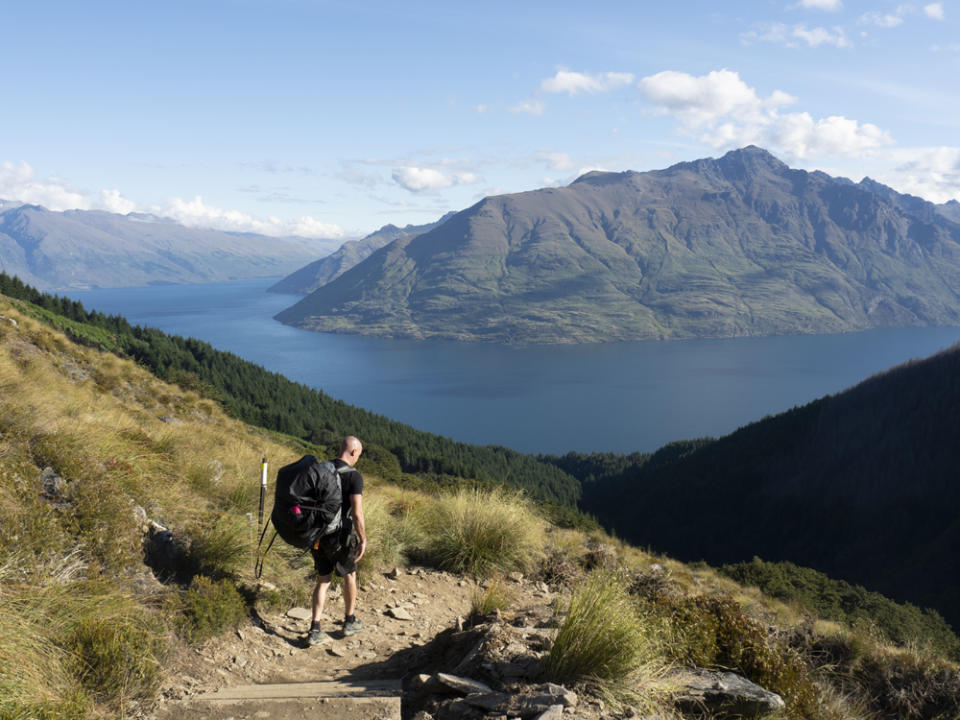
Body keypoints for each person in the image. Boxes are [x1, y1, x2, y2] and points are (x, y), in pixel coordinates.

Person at [307, 435, 367, 646]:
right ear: (353, 452)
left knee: (323, 580)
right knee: (349, 575)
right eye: (358, 453)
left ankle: (315, 628)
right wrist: (363, 539)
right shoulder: (354, 476)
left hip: (316, 535)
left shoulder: (321, 470)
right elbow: (357, 513)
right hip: (339, 537)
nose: (358, 457)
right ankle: (349, 621)